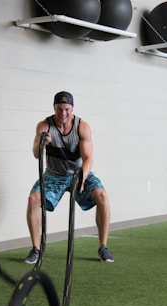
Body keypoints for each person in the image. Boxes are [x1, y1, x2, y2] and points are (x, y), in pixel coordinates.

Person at [25, 91, 114, 264]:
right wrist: (42, 143)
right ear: (54, 108)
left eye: (67, 109)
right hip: (54, 174)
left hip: (79, 173)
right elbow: (36, 154)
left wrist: (82, 178)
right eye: (59, 109)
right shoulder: (44, 125)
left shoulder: (82, 127)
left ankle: (103, 247)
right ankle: (36, 249)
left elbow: (88, 158)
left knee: (102, 196)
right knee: (33, 200)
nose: (63, 113)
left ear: (72, 109)